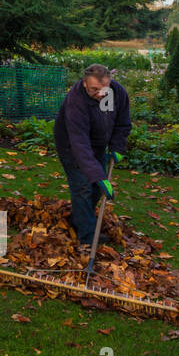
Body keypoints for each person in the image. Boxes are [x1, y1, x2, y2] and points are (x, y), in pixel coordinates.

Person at [53, 64, 131, 250]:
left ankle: (77, 219)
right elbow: (79, 144)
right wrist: (99, 176)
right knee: (83, 188)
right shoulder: (76, 102)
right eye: (94, 89)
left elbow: (122, 122)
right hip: (72, 146)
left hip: (97, 145)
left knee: (96, 189)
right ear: (84, 83)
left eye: (104, 89)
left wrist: (117, 146)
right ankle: (87, 238)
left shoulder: (115, 92)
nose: (101, 94)